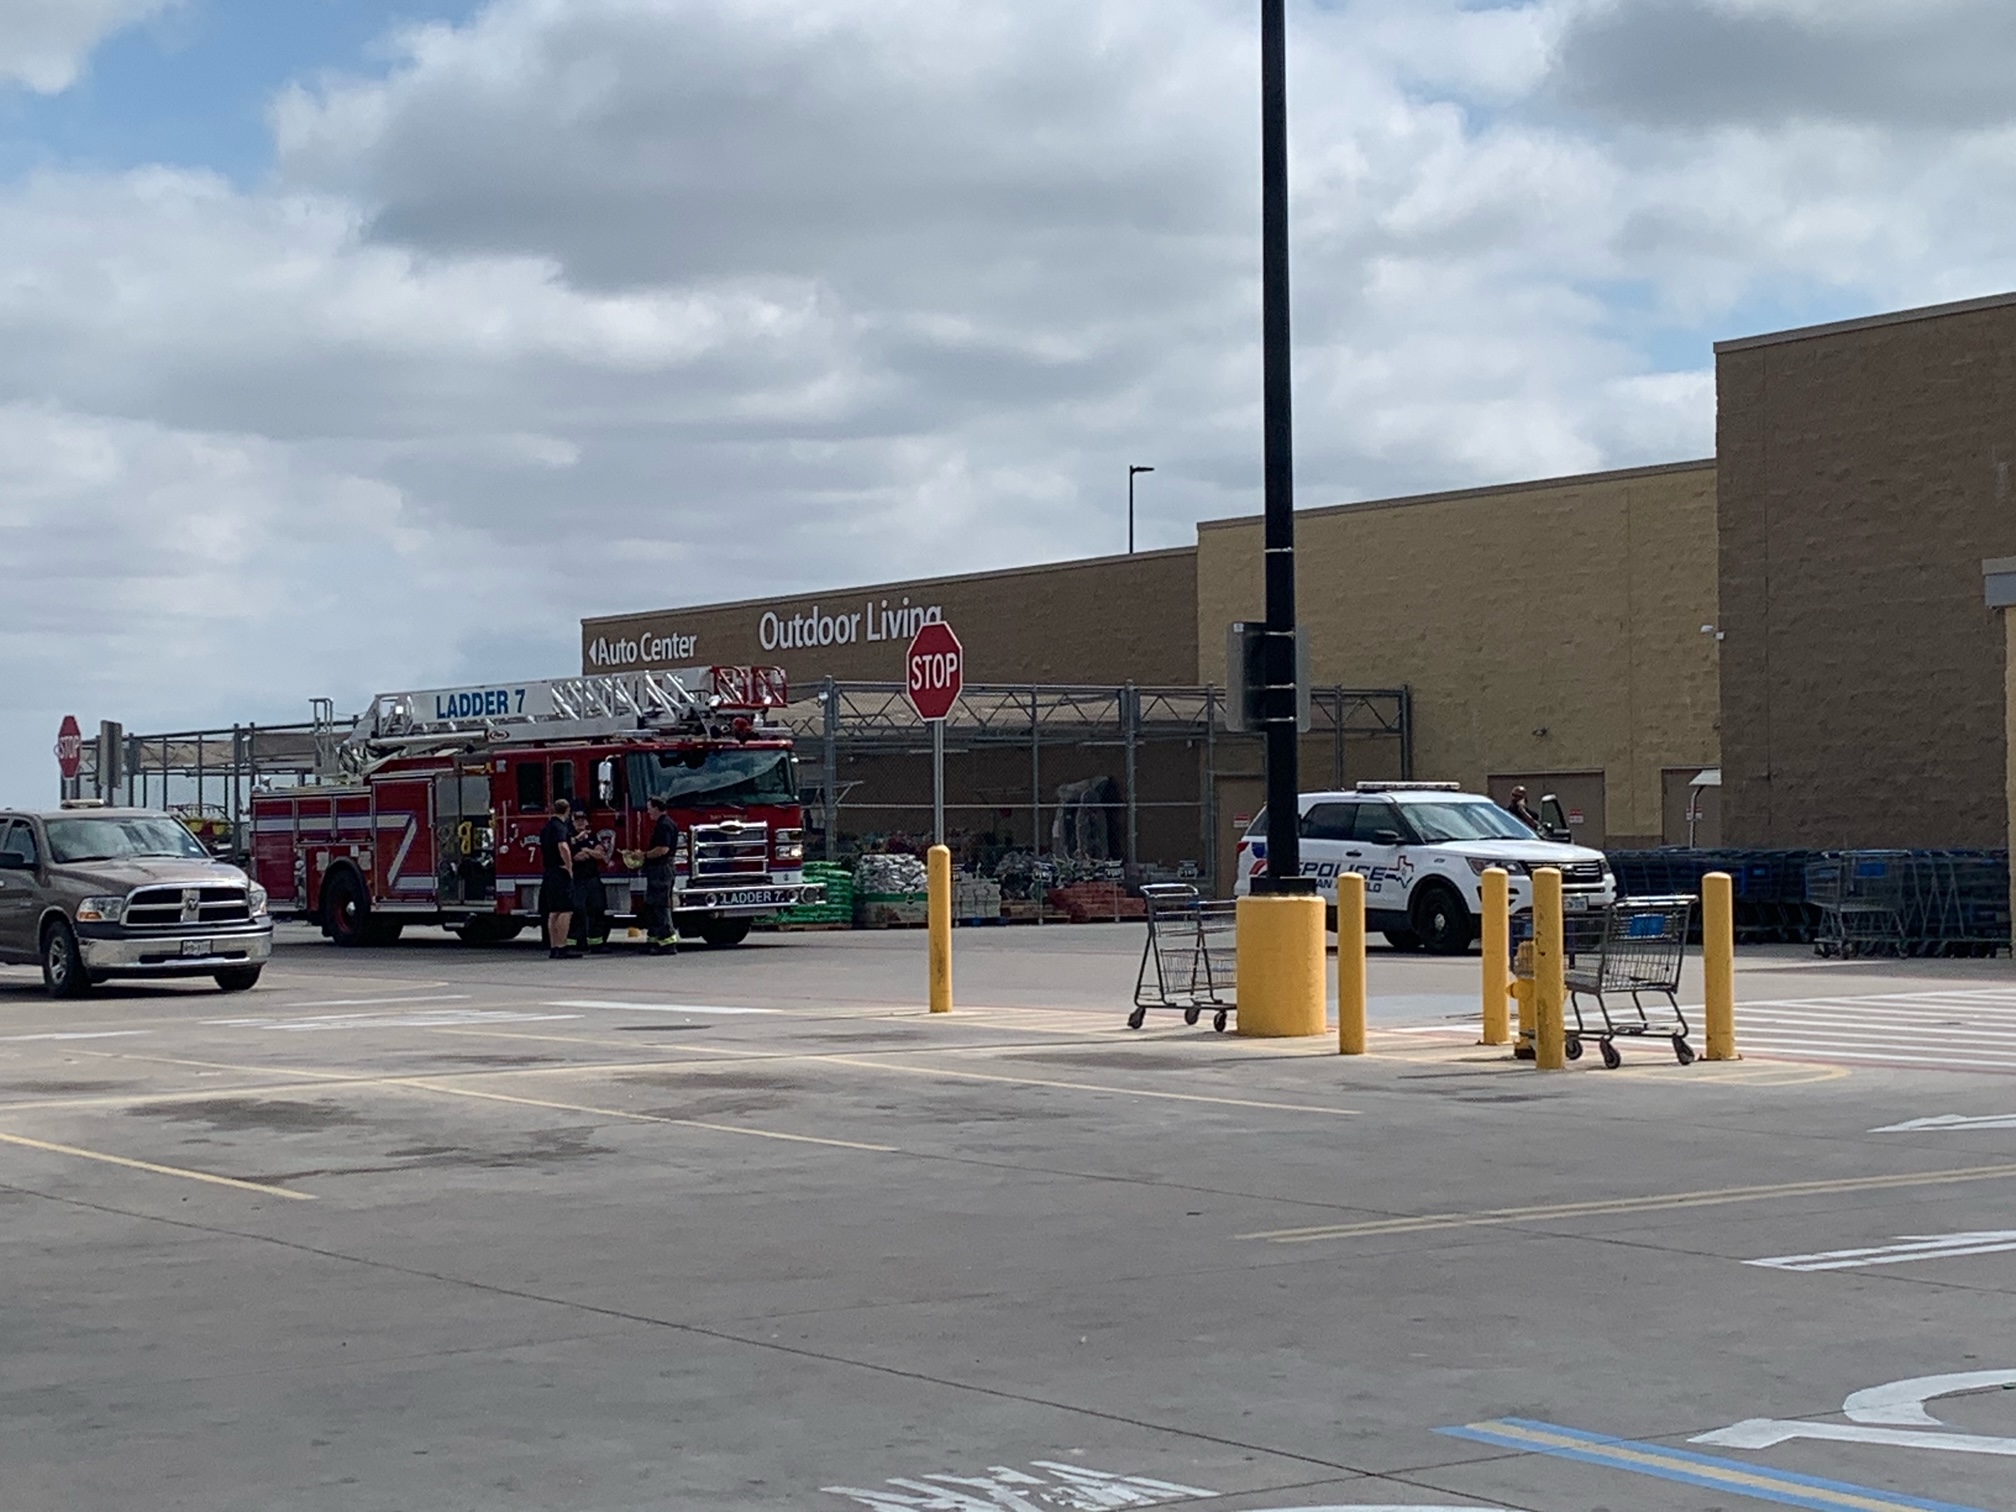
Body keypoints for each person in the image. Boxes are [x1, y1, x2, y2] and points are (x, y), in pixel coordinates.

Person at [539, 798, 579, 959]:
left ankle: (554, 946)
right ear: (567, 810)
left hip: (549, 872)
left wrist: (576, 839)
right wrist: (569, 867)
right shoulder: (560, 826)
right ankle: (562, 946)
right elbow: (562, 846)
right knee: (565, 911)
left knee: (553, 912)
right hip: (560, 872)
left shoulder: (548, 827)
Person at [640, 795, 679, 956]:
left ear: (656, 808)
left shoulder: (664, 825)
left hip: (661, 870)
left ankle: (668, 942)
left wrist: (644, 855)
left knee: (660, 905)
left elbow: (663, 849)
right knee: (652, 905)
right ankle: (654, 940)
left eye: (649, 807)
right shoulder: (666, 824)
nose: (648, 811)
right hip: (661, 869)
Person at [570, 807, 612, 952]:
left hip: (593, 879)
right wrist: (591, 852)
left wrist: (587, 851)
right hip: (577, 880)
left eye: (583, 820)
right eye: (577, 820)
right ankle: (575, 943)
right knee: (578, 911)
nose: (580, 823)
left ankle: (596, 943)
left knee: (598, 909)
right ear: (572, 822)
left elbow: (601, 854)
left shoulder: (592, 837)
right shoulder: (570, 839)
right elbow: (576, 857)